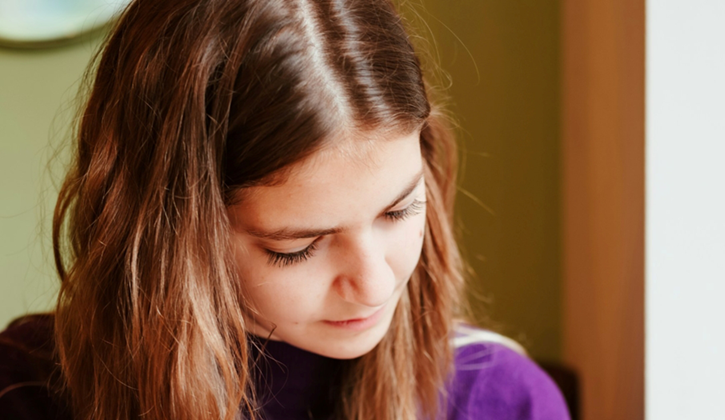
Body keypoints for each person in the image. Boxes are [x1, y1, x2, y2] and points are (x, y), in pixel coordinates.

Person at [0, 0, 571, 419]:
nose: (374, 285)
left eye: (398, 211)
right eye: (296, 248)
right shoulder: (24, 390)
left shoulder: (504, 400)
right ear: (171, 235)